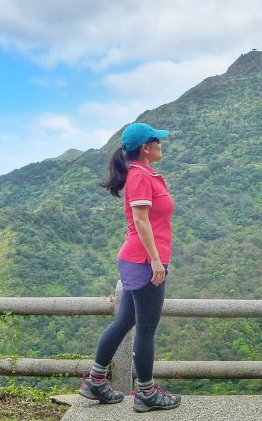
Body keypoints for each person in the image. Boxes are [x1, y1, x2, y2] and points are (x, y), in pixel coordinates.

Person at [78, 122, 182, 413]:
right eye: (157, 142)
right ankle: (147, 393)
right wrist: (156, 261)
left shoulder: (145, 173)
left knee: (124, 321)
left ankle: (96, 380)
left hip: (139, 259)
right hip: (144, 261)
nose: (161, 146)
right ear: (145, 148)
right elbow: (140, 220)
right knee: (146, 328)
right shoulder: (139, 176)